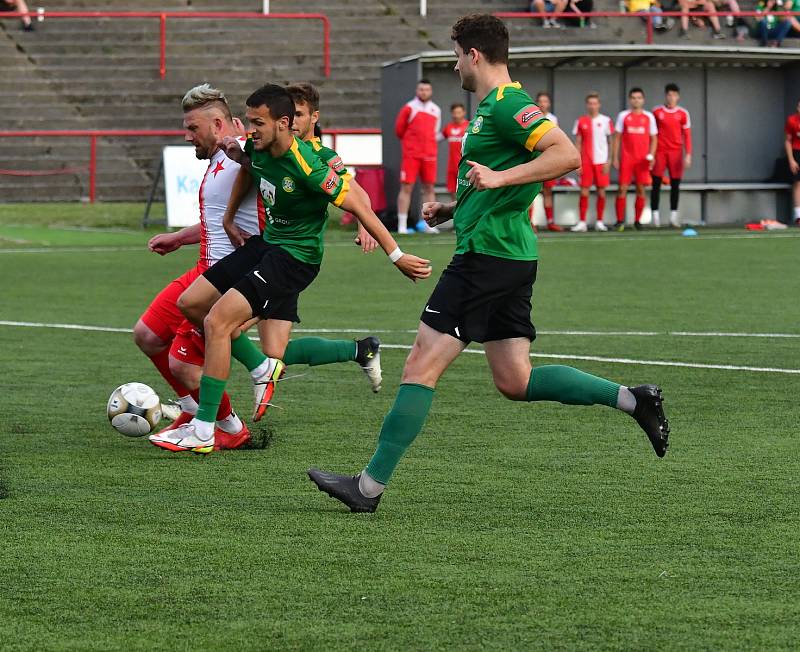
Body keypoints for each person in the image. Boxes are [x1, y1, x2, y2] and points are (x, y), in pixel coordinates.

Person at [307, 14, 670, 514]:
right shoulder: (489, 113)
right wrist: (456, 208)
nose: (455, 66)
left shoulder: (507, 105)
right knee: (515, 381)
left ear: (473, 55)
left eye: (456, 55)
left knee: (418, 366)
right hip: (507, 255)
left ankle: (367, 488)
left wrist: (499, 180)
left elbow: (567, 156)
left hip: (487, 260)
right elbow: (501, 179)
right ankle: (633, 398)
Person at [150, 84, 432, 454]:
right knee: (193, 304)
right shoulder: (258, 147)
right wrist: (232, 215)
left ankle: (205, 428)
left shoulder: (312, 164)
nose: (249, 130)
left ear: (289, 122)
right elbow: (248, 167)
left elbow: (359, 203)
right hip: (266, 246)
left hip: (295, 259)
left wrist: (396, 255)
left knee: (219, 323)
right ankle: (263, 369)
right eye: (248, 122)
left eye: (257, 123)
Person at [134, 84, 259, 450]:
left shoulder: (246, 156)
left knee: (184, 365)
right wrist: (179, 237)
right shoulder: (219, 160)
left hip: (227, 277)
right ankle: (192, 411)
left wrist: (364, 224)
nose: (188, 137)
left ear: (219, 124)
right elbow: (220, 220)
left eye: (193, 129)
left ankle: (229, 427)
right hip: (204, 267)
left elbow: (305, 176)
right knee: (147, 335)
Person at [395, 79, 442, 234]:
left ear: (431, 91)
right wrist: (411, 146)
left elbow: (435, 132)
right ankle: (402, 225)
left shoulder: (436, 110)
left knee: (429, 188)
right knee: (406, 187)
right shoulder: (409, 108)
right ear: (417, 90)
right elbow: (399, 130)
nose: (424, 92)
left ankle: (429, 225)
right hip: (411, 155)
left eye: (427, 90)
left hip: (429, 155)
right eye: (421, 89)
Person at [612, 88, 658, 230]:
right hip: (627, 159)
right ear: (630, 99)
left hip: (642, 160)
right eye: (633, 97)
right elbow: (617, 138)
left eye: (639, 97)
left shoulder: (649, 117)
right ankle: (620, 221)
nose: (636, 100)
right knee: (622, 189)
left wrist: (652, 155)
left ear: (643, 100)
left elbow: (654, 138)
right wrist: (615, 157)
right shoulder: (623, 116)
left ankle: (637, 221)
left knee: (640, 189)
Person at [571, 92, 614, 232]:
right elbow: (578, 142)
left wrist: (609, 161)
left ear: (599, 105)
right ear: (586, 105)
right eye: (590, 103)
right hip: (586, 162)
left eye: (595, 103)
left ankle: (600, 221)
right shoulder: (581, 121)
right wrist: (578, 162)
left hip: (601, 161)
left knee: (601, 192)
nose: (593, 106)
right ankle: (582, 222)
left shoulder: (606, 120)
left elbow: (611, 142)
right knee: (584, 192)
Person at [652, 83, 692, 228]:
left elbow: (687, 135)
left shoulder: (683, 113)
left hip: (676, 153)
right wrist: (651, 153)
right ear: (665, 96)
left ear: (678, 97)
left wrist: (688, 155)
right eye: (669, 95)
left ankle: (673, 217)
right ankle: (655, 217)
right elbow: (652, 133)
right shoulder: (656, 112)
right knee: (656, 183)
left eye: (674, 95)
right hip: (660, 152)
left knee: (675, 184)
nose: (671, 98)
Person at [535, 91, 563, 231]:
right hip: (534, 160)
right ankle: (530, 222)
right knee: (530, 192)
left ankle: (550, 221)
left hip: (548, 160)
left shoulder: (553, 119)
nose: (542, 104)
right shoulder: (532, 118)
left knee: (547, 192)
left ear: (549, 103)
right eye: (540, 101)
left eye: (545, 101)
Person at [442, 102, 469, 201]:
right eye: (455, 113)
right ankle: (455, 213)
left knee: (465, 190)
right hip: (452, 166)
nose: (457, 115)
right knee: (452, 191)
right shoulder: (448, 128)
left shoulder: (469, 127)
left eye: (459, 112)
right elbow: (437, 138)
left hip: (465, 165)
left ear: (464, 113)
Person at [785, 98, 800, 226]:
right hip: (797, 153)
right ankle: (798, 215)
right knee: (797, 184)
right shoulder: (792, 120)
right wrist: (791, 160)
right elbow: (788, 141)